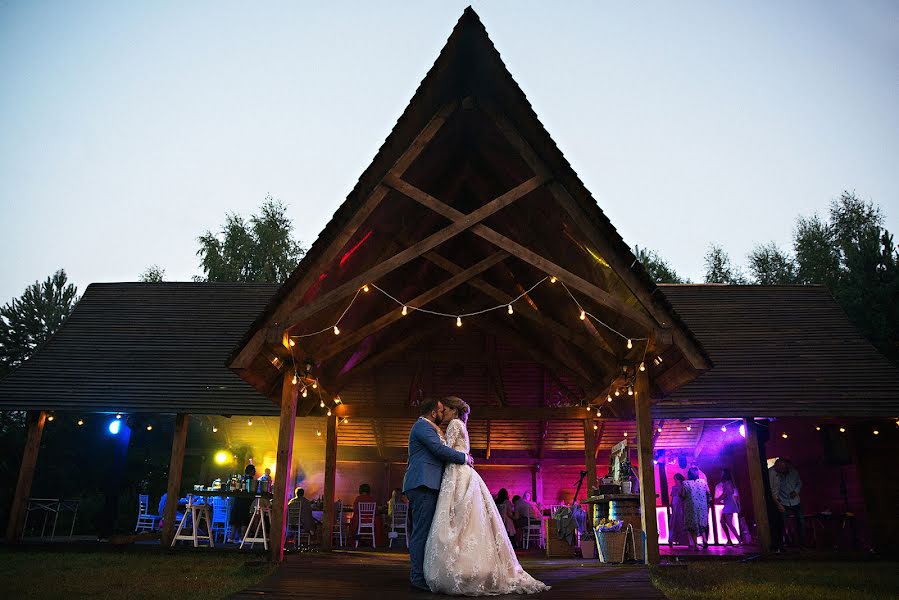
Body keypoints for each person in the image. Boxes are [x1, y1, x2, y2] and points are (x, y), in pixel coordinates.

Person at [423, 396, 549, 595]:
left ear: (453, 410)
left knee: (458, 519)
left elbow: (444, 450)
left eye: (445, 410)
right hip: (463, 473)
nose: (443, 414)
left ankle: (461, 567)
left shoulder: (454, 424)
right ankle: (472, 565)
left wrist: (436, 436)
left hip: (456, 473)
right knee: (467, 520)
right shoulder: (461, 425)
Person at [403, 397, 473, 592]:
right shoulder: (422, 427)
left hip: (429, 484)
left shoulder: (431, 429)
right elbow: (438, 450)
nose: (444, 414)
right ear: (433, 413)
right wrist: (464, 457)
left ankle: (425, 573)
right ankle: (417, 577)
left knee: (428, 532)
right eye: (441, 411)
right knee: (421, 532)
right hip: (423, 484)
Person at [769, 458, 803, 548]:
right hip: (781, 501)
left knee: (799, 521)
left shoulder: (793, 472)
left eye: (785, 468)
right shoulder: (773, 474)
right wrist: (779, 504)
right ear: (778, 466)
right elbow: (772, 492)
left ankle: (800, 543)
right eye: (782, 468)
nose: (784, 470)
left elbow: (799, 483)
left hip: (794, 501)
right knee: (781, 523)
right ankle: (783, 543)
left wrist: (796, 491)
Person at [681, 467, 711, 550]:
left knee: (692, 524)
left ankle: (696, 545)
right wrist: (708, 503)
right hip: (702, 506)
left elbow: (683, 494)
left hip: (691, 506)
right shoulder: (703, 482)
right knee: (702, 523)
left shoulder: (685, 483)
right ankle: (705, 540)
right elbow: (708, 493)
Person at [715, 469, 741, 545]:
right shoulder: (729, 483)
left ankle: (739, 540)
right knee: (722, 521)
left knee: (729, 523)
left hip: (729, 504)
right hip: (728, 503)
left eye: (722, 473)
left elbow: (726, 493)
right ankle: (729, 540)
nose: (721, 474)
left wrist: (718, 500)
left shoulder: (728, 483)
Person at [668, 473, 687, 547]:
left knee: (681, 522)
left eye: (675, 479)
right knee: (674, 523)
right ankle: (672, 540)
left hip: (681, 506)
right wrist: (671, 506)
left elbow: (684, 497)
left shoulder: (683, 487)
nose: (675, 480)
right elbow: (672, 498)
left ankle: (684, 540)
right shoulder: (674, 487)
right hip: (675, 506)